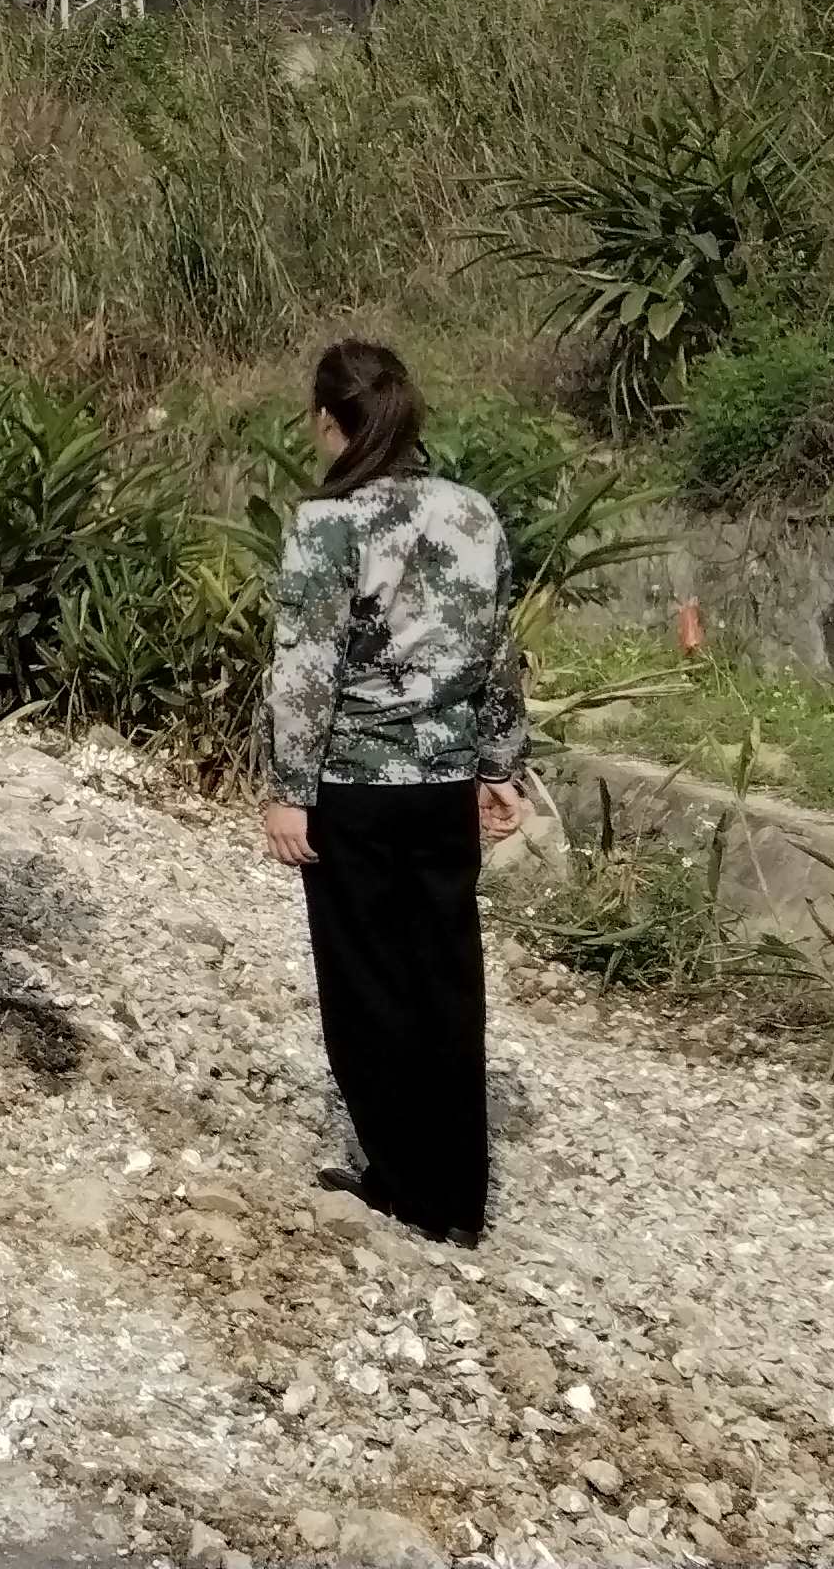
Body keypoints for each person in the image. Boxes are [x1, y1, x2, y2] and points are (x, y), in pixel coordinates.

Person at [262, 339, 525, 1243]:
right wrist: (500, 765)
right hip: (444, 780)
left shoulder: (327, 523)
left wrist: (287, 789)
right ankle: (458, 1196)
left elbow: (305, 667)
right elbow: (498, 651)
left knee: (365, 979)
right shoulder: (473, 512)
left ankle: (401, 1180)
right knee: (446, 976)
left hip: (355, 784)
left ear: (328, 421)